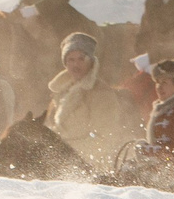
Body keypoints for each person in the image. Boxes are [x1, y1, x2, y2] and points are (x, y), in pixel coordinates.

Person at [46, 31, 131, 161]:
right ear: (65, 63)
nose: (76, 65)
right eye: (71, 60)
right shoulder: (60, 92)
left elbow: (105, 137)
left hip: (88, 163)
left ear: (91, 61)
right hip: (57, 159)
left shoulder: (101, 93)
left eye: (81, 59)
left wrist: (68, 155)